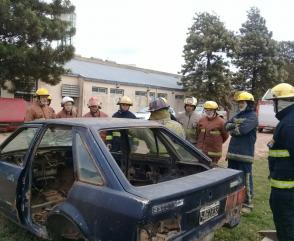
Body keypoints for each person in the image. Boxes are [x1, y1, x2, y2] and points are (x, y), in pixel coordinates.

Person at [265, 83, 294, 241]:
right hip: (285, 187)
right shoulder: (289, 120)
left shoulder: (290, 124)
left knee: (286, 226)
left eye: (273, 102)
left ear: (281, 102)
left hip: (287, 191)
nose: (273, 107)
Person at [225, 91, 258, 213]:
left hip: (245, 155)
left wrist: (233, 128)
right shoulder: (238, 115)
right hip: (232, 153)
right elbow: (226, 125)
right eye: (239, 102)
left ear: (249, 103)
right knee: (232, 179)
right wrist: (234, 126)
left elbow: (242, 130)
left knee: (246, 178)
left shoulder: (252, 116)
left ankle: (248, 204)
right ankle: (233, 201)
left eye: (242, 102)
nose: (240, 104)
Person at [196, 101, 228, 166]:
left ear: (215, 110)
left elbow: (225, 136)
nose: (208, 112)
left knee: (211, 172)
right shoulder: (201, 120)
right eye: (206, 110)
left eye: (210, 110)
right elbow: (198, 134)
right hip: (201, 152)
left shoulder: (221, 122)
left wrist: (216, 143)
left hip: (214, 154)